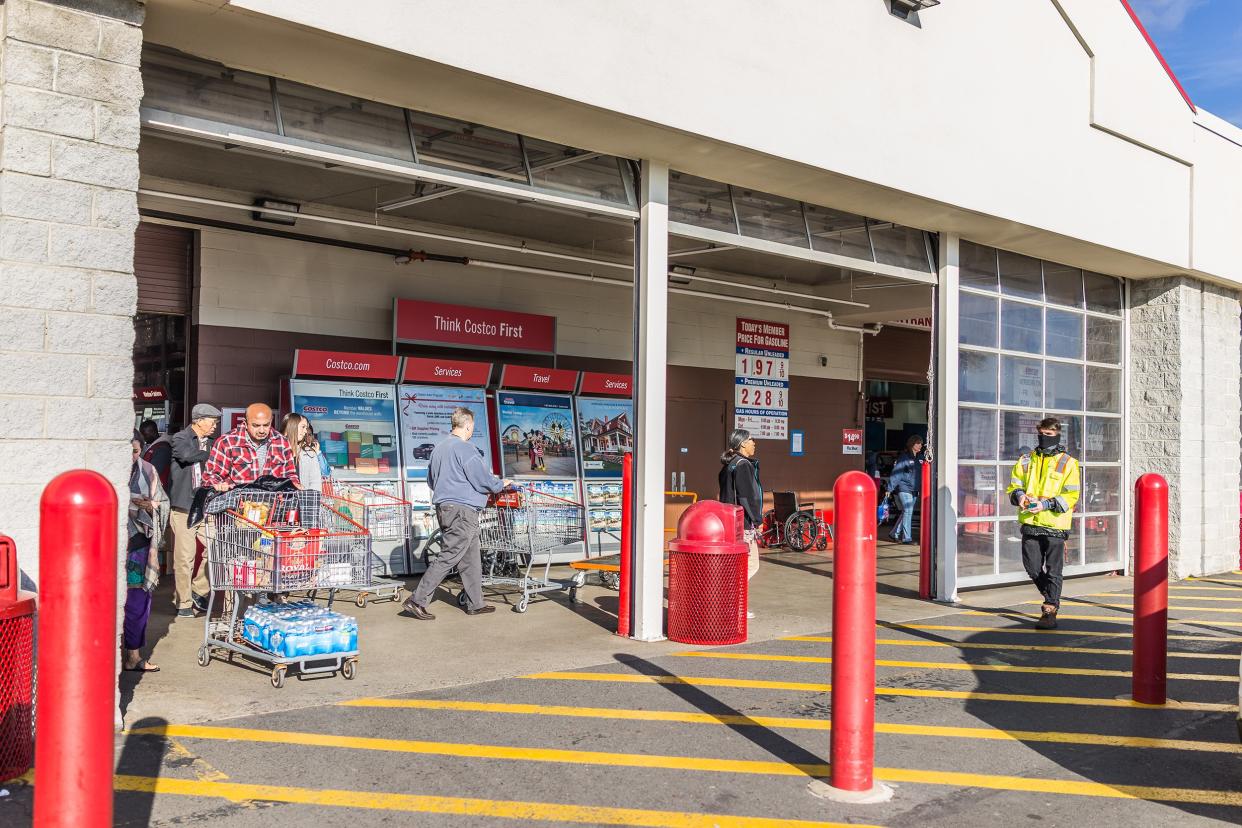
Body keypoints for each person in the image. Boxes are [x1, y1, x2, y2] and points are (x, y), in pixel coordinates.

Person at [402, 407, 512, 620]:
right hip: (463, 511)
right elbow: (482, 479)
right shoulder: (465, 449)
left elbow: (431, 481)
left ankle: (476, 603)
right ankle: (417, 600)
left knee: (471, 558)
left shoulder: (438, 450)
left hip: (446, 508)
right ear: (468, 425)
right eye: (472, 427)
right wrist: (500, 484)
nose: (472, 430)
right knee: (449, 556)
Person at [1005, 417, 1081, 630]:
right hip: (1030, 521)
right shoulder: (1026, 460)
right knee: (1032, 567)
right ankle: (1052, 596)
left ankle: (1049, 610)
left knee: (1054, 569)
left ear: (1057, 435)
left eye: (1048, 435)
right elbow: (1014, 485)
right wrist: (1019, 496)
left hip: (1055, 524)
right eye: (1041, 434)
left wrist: (1046, 504)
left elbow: (1072, 495)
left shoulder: (1069, 463)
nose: (1044, 438)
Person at [167, 403, 221, 617]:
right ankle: (184, 602)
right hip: (184, 507)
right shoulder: (181, 438)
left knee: (215, 548)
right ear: (199, 420)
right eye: (212, 421)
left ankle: (200, 590)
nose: (215, 425)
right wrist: (209, 452)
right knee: (185, 557)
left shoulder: (213, 444)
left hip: (206, 505)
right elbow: (187, 456)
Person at [123, 438, 170, 672]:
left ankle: (133, 655)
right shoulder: (107, 470)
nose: (131, 456)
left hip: (139, 547)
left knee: (138, 602)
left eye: (135, 451)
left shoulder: (148, 471)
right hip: (113, 546)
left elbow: (162, 502)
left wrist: (149, 506)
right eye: (126, 451)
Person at [201, 403, 301, 492]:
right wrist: (218, 484)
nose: (262, 430)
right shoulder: (227, 442)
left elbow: (290, 474)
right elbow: (211, 475)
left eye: (266, 425)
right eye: (256, 425)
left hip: (273, 505)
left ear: (271, 421)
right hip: (238, 506)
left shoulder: (282, 442)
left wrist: (295, 484)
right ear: (245, 423)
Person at [719, 428, 762, 619]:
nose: (754, 443)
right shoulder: (743, 465)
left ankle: (732, 602)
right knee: (750, 565)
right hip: (743, 523)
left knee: (739, 565)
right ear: (743, 443)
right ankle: (734, 604)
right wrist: (757, 520)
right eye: (752, 440)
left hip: (730, 522)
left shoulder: (728, 465)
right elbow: (747, 497)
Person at [887, 435, 925, 544]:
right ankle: (907, 538)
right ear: (912, 444)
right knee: (908, 511)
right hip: (904, 488)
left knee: (906, 512)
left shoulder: (921, 458)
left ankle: (894, 533)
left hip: (914, 489)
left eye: (921, 443)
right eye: (918, 443)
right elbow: (896, 473)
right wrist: (889, 488)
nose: (920, 445)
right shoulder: (904, 457)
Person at [281, 412, 325, 492]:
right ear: (292, 427)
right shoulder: (275, 450)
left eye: (306, 428)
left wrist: (310, 502)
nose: (305, 431)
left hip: (303, 502)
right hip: (278, 501)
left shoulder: (309, 454)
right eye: (303, 427)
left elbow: (315, 483)